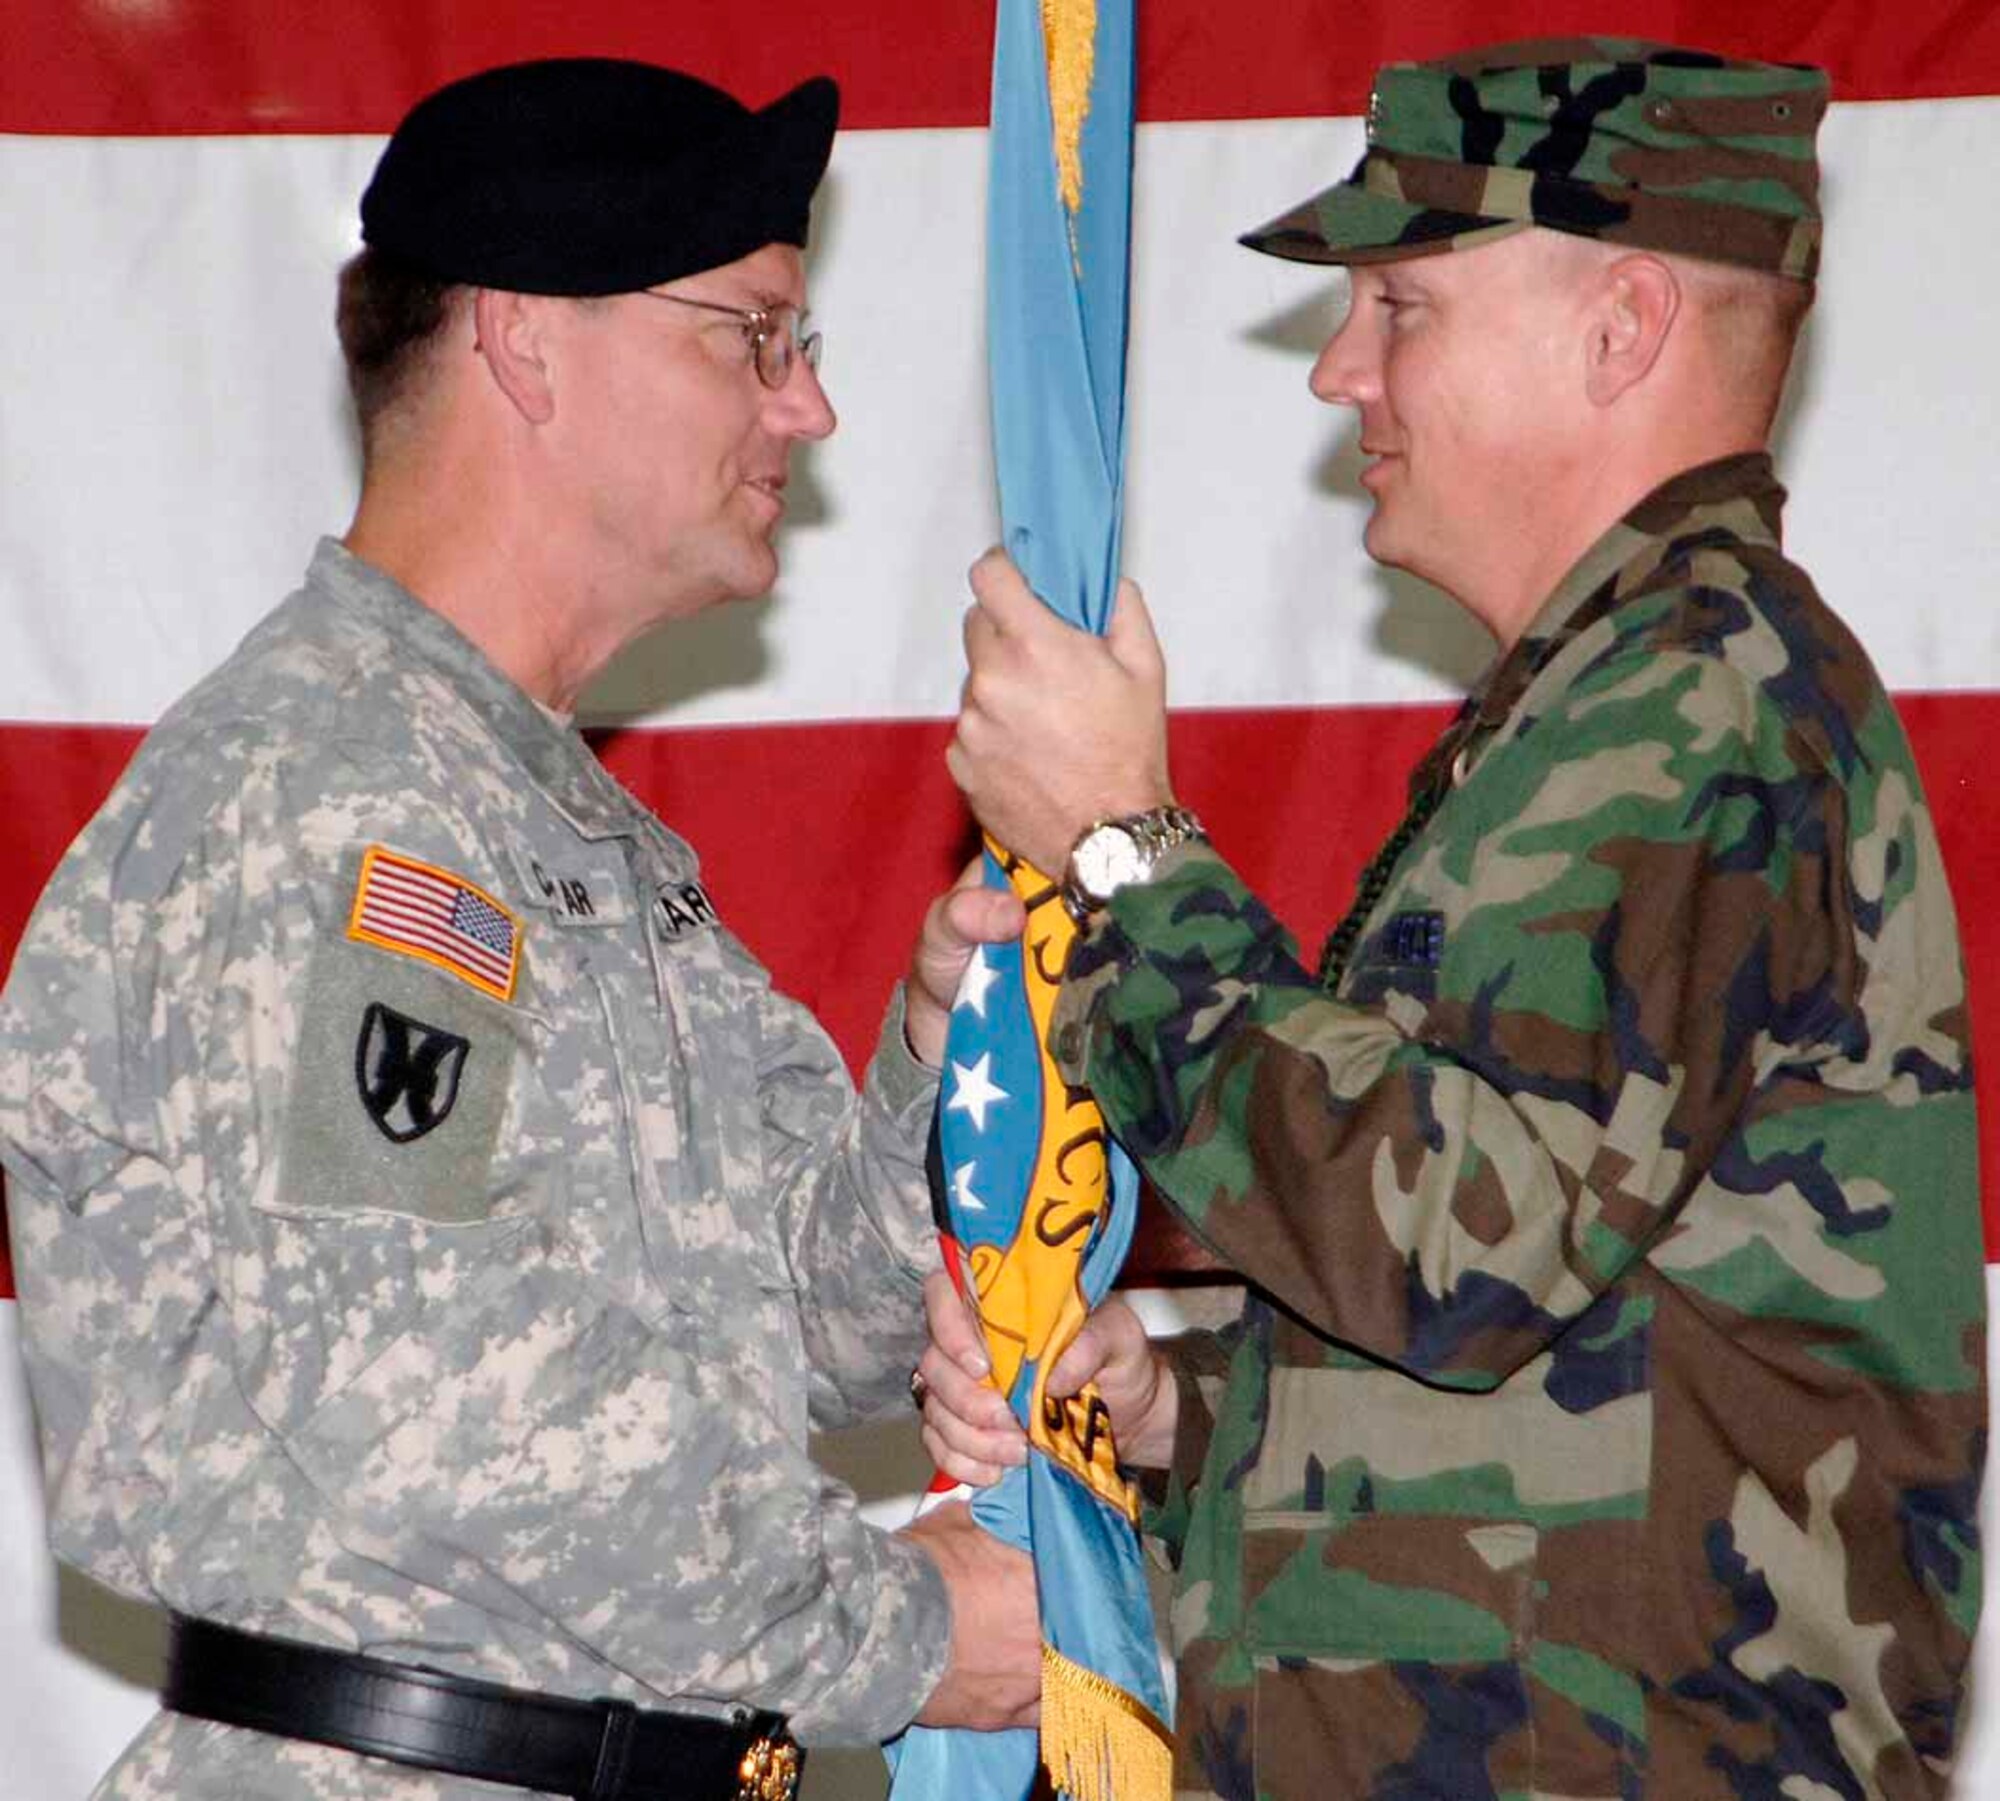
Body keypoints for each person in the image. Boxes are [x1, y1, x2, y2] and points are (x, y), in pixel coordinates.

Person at [924, 37, 1988, 1799]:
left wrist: (1122, 852)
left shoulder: (1701, 701)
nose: (1340, 368)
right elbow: (1563, 1341)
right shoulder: (1622, 701)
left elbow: (1463, 1250)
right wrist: (1194, 1412)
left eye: (1402, 304)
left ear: (1621, 327)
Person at [0, 57, 1040, 1801]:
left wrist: (950, 1052)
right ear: (529, 342)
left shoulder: (545, 819)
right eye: (754, 336)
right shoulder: (341, 794)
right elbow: (430, 1396)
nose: (807, 410)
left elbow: (813, 1324)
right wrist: (906, 1633)